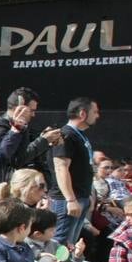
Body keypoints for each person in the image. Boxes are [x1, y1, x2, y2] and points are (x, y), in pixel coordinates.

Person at [49, 97, 100, 247]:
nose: (97, 116)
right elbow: (61, 167)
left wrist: (87, 195)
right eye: (95, 112)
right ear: (83, 114)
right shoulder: (66, 135)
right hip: (66, 201)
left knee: (70, 245)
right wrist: (70, 200)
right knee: (60, 246)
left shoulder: (79, 135)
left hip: (80, 198)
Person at [0, 87, 63, 185]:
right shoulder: (0, 127)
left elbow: (29, 152)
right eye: (31, 110)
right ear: (19, 109)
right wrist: (43, 140)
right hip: (14, 185)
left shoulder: (25, 126)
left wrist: (46, 140)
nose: (33, 115)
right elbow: (16, 160)